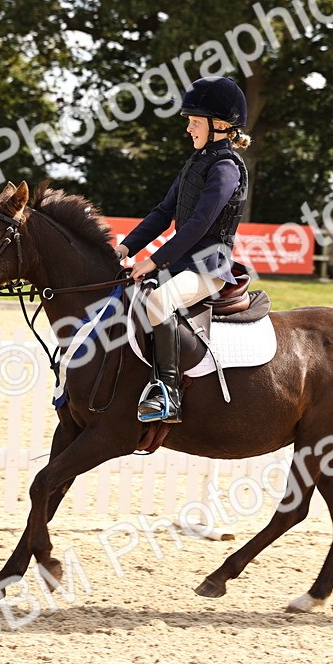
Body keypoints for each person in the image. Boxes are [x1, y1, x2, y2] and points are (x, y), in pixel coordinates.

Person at [113, 76, 250, 423]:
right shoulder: (195, 163)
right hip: (179, 265)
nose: (188, 128)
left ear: (219, 125)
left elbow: (198, 225)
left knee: (159, 301)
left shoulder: (226, 168)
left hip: (208, 270)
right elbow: (163, 213)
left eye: (193, 121)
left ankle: (167, 393)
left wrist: (154, 261)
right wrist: (126, 247)